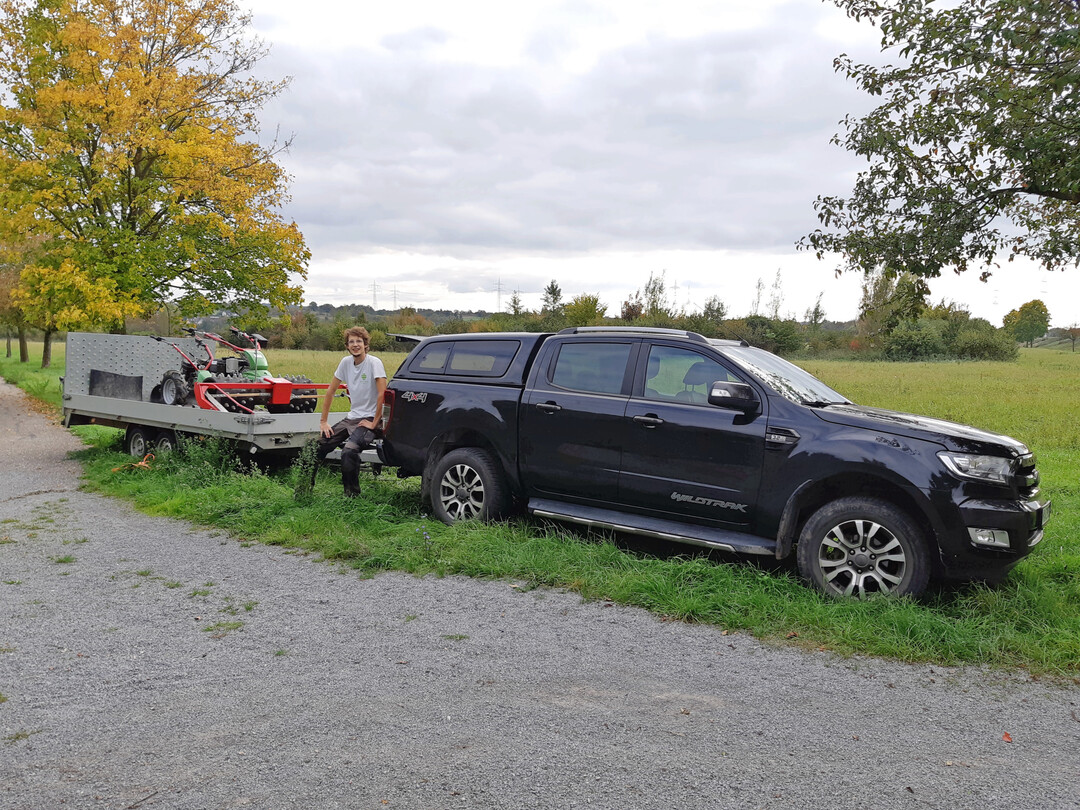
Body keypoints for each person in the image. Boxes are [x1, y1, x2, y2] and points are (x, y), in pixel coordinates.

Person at [316, 326, 387, 497]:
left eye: (359, 341)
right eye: (351, 342)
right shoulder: (345, 363)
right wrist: (323, 422)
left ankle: (351, 496)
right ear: (347, 346)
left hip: (370, 418)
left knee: (349, 451)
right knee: (315, 448)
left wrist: (375, 422)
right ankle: (303, 490)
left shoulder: (374, 363)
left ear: (365, 344)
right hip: (352, 417)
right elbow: (330, 392)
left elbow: (382, 394)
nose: (355, 345)